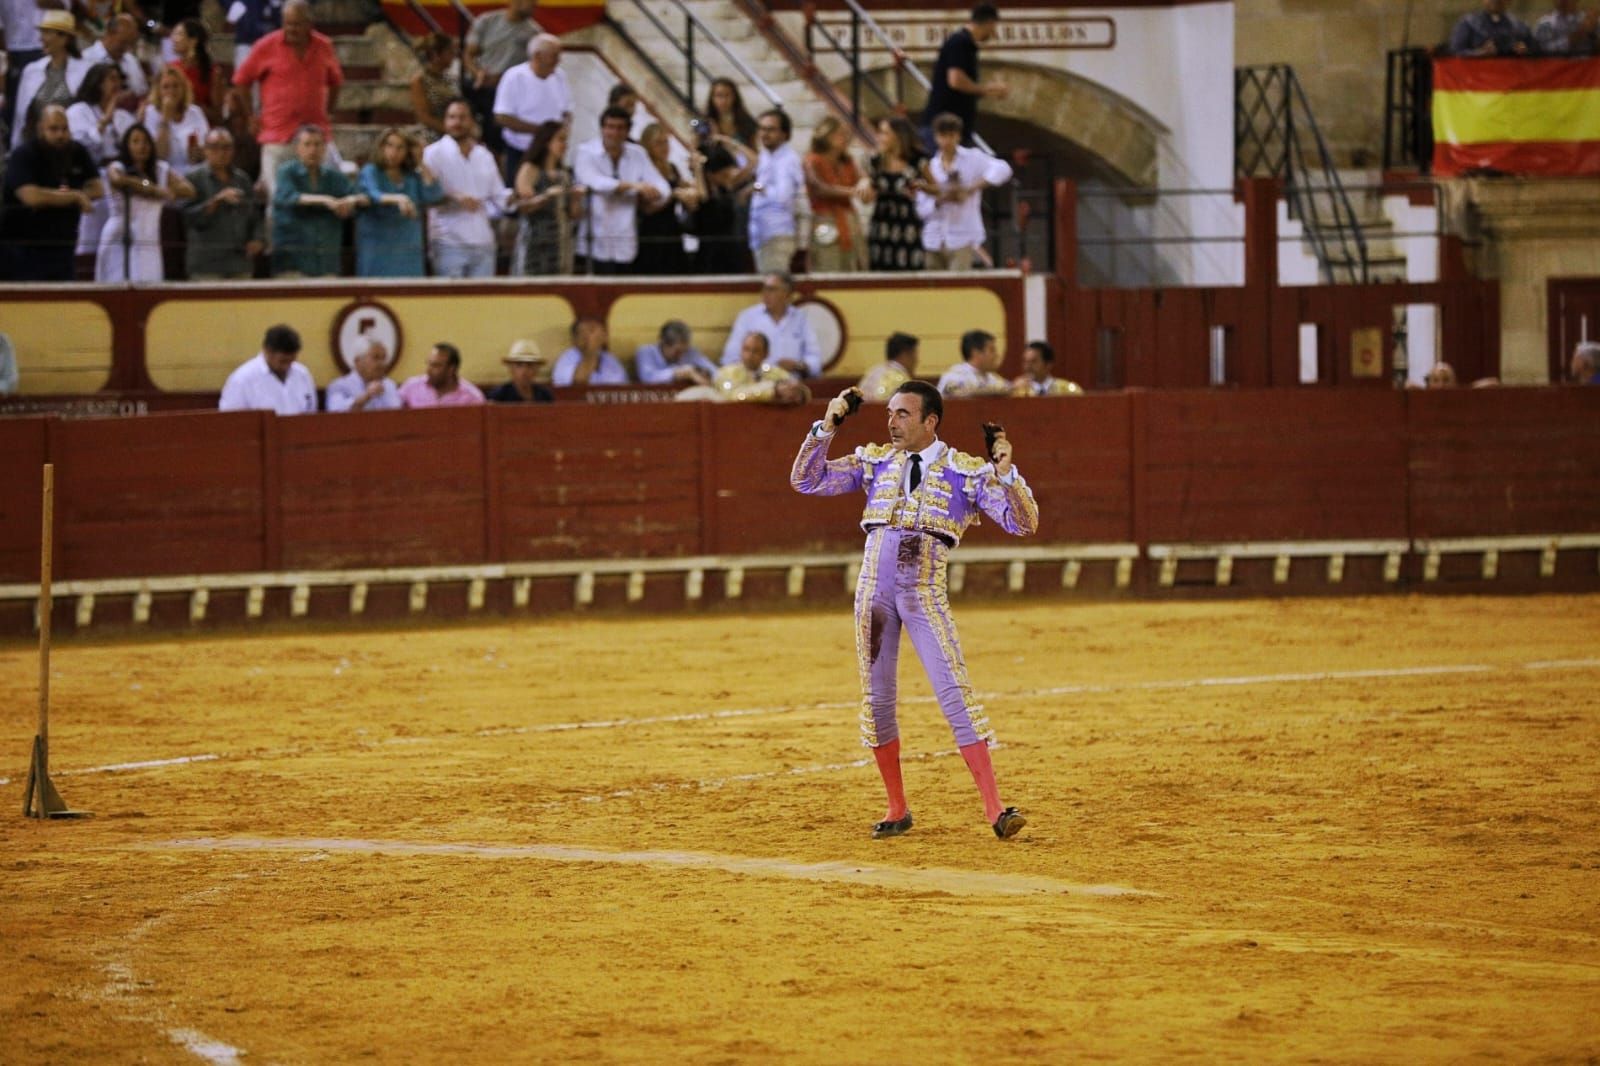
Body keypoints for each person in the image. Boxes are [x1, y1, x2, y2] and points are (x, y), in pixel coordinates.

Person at [790, 379, 1038, 840]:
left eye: (902, 414)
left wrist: (1006, 475)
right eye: (889, 413)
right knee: (878, 700)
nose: (891, 422)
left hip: (923, 591)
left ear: (930, 421)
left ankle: (996, 809)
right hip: (874, 593)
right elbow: (807, 480)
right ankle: (896, 807)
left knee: (953, 692)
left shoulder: (965, 472)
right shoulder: (875, 462)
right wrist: (827, 426)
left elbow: (1023, 524)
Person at [232, 0, 345, 204]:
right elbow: (241, 81)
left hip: (316, 133)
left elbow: (336, 82)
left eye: (297, 24)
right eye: (288, 23)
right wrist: (251, 116)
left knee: (329, 193)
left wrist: (329, 112)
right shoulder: (266, 45)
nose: (291, 29)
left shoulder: (324, 46)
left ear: (309, 24)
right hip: (277, 134)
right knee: (278, 198)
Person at [1, 104, 103, 281]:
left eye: (65, 129)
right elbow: (31, 197)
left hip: (64, 247)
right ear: (41, 129)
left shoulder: (77, 151)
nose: (60, 135)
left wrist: (70, 196)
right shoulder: (24, 154)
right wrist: (75, 196)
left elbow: (98, 188)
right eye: (53, 129)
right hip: (24, 249)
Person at [573, 105, 666, 274]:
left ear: (627, 131)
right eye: (610, 127)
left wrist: (653, 196)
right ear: (602, 129)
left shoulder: (637, 153)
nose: (614, 133)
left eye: (620, 128)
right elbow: (595, 182)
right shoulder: (586, 151)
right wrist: (634, 186)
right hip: (594, 239)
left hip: (625, 238)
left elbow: (662, 186)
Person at [421, 98, 508, 278]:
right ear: (445, 121)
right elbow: (426, 195)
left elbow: (498, 196)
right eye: (452, 117)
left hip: (483, 240)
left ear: (472, 121)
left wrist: (516, 199)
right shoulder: (432, 154)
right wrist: (454, 197)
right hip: (448, 241)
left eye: (462, 117)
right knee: (450, 296)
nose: (457, 122)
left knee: (483, 296)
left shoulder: (484, 155)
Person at [98, 122, 194, 281]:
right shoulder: (118, 166)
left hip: (150, 240)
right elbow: (118, 180)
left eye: (146, 141)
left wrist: (171, 191)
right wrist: (151, 189)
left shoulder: (160, 169)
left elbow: (189, 190)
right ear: (126, 145)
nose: (142, 146)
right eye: (136, 141)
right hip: (120, 238)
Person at [920, 113, 1012, 271]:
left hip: (962, 236)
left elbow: (1003, 168)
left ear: (958, 136)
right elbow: (921, 208)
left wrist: (971, 188)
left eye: (951, 136)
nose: (947, 141)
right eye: (943, 136)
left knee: (959, 283)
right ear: (936, 137)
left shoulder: (973, 158)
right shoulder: (931, 166)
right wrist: (940, 200)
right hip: (934, 237)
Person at [272, 123, 364, 277]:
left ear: (324, 148)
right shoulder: (286, 172)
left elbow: (360, 196)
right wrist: (326, 201)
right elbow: (289, 197)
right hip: (293, 260)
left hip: (327, 260)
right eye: (307, 144)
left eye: (317, 144)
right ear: (297, 148)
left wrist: (349, 202)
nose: (313, 150)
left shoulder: (334, 176)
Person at [356, 126, 443, 277]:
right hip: (378, 251)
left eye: (400, 148)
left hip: (408, 251)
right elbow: (373, 194)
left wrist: (420, 162)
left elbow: (433, 195)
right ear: (381, 147)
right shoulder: (371, 171)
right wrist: (399, 199)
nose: (394, 152)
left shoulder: (412, 177)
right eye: (389, 145)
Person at [920, 3, 1008, 151]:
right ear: (989, 23)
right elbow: (955, 80)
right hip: (945, 130)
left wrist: (986, 91)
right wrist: (985, 89)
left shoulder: (964, 43)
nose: (993, 32)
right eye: (994, 27)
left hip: (953, 129)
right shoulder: (960, 42)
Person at [182, 128, 265, 280]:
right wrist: (216, 201)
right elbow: (186, 218)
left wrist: (257, 239)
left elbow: (256, 216)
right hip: (207, 265)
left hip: (240, 263)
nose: (221, 153)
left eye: (226, 147)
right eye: (214, 147)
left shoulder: (242, 179)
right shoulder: (193, 178)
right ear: (205, 150)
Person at [463, 0, 539, 159]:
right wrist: (478, 73)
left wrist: (504, 79)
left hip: (506, 91)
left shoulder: (534, 33)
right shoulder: (486, 21)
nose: (534, 5)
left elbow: (532, 69)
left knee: (496, 136)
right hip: (477, 85)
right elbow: (469, 54)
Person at [492, 33, 570, 185]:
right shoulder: (514, 77)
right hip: (520, 150)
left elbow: (567, 111)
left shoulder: (560, 77)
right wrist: (542, 132)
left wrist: (561, 135)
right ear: (538, 56)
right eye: (554, 56)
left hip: (550, 153)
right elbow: (501, 117)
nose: (559, 60)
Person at [10, 9, 90, 151]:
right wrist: (15, 149)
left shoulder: (85, 71)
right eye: (42, 32)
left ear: (64, 38)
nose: (41, 38)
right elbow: (20, 117)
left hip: (69, 147)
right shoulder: (31, 71)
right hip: (35, 148)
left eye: (47, 33)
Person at [721, 271, 823, 378]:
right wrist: (755, 367)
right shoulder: (748, 317)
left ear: (787, 294)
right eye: (764, 289)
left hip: (792, 381)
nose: (765, 294)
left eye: (771, 289)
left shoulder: (800, 318)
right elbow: (730, 358)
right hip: (756, 382)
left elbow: (815, 358)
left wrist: (797, 365)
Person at [511, 118, 577, 275]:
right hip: (534, 240)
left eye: (566, 140)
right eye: (560, 139)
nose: (565, 145)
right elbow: (523, 207)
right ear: (547, 141)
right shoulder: (530, 169)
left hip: (560, 241)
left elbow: (573, 214)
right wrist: (546, 196)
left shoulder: (565, 174)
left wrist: (576, 197)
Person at [863, 115, 928, 271]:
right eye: (880, 132)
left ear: (898, 135)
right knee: (880, 269)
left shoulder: (917, 160)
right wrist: (865, 184)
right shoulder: (875, 161)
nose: (880, 137)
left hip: (908, 223)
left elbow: (937, 189)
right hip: (881, 223)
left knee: (908, 270)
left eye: (885, 133)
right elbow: (868, 197)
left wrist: (922, 188)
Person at [804, 115, 865, 273]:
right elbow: (819, 188)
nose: (845, 138)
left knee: (853, 265)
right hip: (825, 219)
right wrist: (853, 191)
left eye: (847, 134)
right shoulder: (812, 160)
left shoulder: (848, 161)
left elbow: (863, 182)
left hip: (849, 219)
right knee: (827, 265)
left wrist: (866, 185)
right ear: (826, 135)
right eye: (840, 134)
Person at [748, 108, 804, 273]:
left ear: (784, 134)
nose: (764, 134)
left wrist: (757, 187)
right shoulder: (765, 156)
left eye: (770, 129)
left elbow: (783, 196)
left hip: (777, 233)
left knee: (775, 282)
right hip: (761, 234)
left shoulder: (787, 160)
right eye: (762, 129)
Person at [636, 122, 697, 275]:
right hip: (652, 230)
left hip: (672, 228)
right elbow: (646, 209)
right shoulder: (643, 170)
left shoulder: (672, 168)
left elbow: (685, 187)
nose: (664, 147)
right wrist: (672, 195)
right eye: (658, 143)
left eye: (666, 142)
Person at [218, 323, 318, 414]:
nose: (287, 366)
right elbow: (231, 420)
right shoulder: (242, 379)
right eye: (283, 361)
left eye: (292, 361)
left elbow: (311, 412)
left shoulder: (302, 374)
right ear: (267, 351)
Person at [689, 146, 746, 274]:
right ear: (710, 174)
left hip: (731, 248)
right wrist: (698, 168)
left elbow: (752, 162)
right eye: (724, 174)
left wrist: (730, 143)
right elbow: (703, 198)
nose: (728, 177)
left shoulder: (724, 189)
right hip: (709, 253)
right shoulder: (700, 190)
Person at [142, 66, 209, 174]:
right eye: (166, 87)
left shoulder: (195, 112)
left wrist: (199, 153)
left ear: (183, 88)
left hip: (195, 170)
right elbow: (159, 155)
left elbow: (207, 149)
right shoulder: (151, 113)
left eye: (176, 86)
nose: (171, 91)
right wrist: (165, 118)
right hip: (167, 173)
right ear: (158, 91)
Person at [168, 17, 226, 123]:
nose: (173, 39)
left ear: (193, 41)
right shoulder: (171, 68)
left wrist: (191, 103)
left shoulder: (213, 72)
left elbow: (218, 116)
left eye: (179, 34)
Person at [399, 342, 487, 407]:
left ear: (451, 369)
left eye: (435, 365)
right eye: (428, 364)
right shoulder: (411, 387)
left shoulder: (471, 397)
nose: (428, 370)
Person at [81, 14, 148, 97]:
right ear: (109, 33)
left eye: (131, 43)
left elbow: (142, 91)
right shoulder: (85, 59)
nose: (127, 48)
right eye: (123, 42)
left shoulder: (131, 59)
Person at [326, 337, 400, 412]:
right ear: (357, 361)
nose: (382, 364)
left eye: (384, 358)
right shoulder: (339, 386)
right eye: (376, 358)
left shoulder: (389, 385)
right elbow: (336, 411)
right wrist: (367, 396)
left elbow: (397, 413)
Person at [635, 320, 716, 387]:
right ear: (664, 344)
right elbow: (647, 378)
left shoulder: (690, 352)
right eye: (677, 352)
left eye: (684, 351)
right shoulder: (646, 352)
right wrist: (677, 373)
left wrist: (702, 374)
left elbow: (715, 372)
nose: (681, 355)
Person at [409, 33, 457, 142]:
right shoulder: (420, 80)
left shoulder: (450, 79)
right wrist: (450, 131)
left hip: (453, 132)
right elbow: (424, 117)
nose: (453, 56)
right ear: (436, 55)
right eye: (450, 52)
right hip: (431, 136)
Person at [552, 317, 629, 386]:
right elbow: (568, 388)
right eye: (581, 332)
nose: (586, 335)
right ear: (574, 339)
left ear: (605, 336)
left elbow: (617, 388)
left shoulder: (609, 359)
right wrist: (589, 354)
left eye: (591, 330)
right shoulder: (568, 357)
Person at [937, 329, 1010, 396]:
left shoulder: (992, 377)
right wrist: (997, 391)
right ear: (976, 353)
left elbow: (1009, 389)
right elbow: (957, 392)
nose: (996, 355)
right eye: (992, 350)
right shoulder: (954, 375)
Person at [1450, 0, 1535, 56]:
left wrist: (1524, 50)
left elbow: (1536, 52)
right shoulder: (1468, 23)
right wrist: (1479, 52)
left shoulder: (1519, 26)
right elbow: (1454, 52)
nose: (1496, 0)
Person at [857, 331, 919, 403]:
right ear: (905, 354)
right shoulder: (901, 379)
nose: (917, 360)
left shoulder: (874, 371)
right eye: (915, 354)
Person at [488, 338, 555, 403]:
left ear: (537, 369)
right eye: (519, 364)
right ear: (511, 369)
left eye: (529, 365)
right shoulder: (499, 396)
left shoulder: (545, 396)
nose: (524, 370)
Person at [1011, 340, 1082, 396]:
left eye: (1034, 361)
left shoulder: (1066, 390)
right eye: (1025, 361)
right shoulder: (1017, 391)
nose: (1027, 366)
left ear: (1048, 364)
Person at [226, 0, 285, 68]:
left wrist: (276, 7)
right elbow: (231, 23)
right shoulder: (242, 4)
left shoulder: (276, 4)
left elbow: (282, 26)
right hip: (247, 45)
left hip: (270, 46)